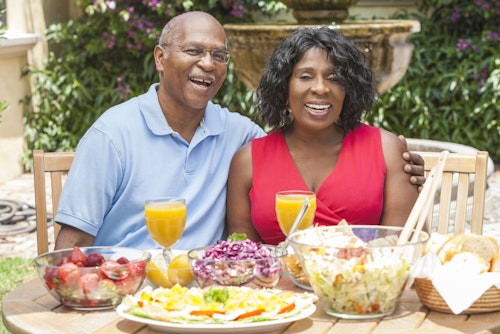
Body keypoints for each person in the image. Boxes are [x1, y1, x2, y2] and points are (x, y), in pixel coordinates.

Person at [54, 12, 424, 251]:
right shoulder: (112, 135)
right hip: (127, 287)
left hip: (213, 290)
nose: (207, 63)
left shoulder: (237, 134)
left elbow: (296, 143)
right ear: (160, 58)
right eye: (193, 50)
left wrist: (406, 165)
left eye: (218, 55)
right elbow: (69, 245)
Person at [226, 26, 420, 245]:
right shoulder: (247, 161)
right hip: (275, 279)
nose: (320, 88)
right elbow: (242, 256)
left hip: (365, 276)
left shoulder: (386, 149)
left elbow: (402, 247)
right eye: (306, 76)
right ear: (284, 87)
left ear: (349, 89)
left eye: (334, 78)